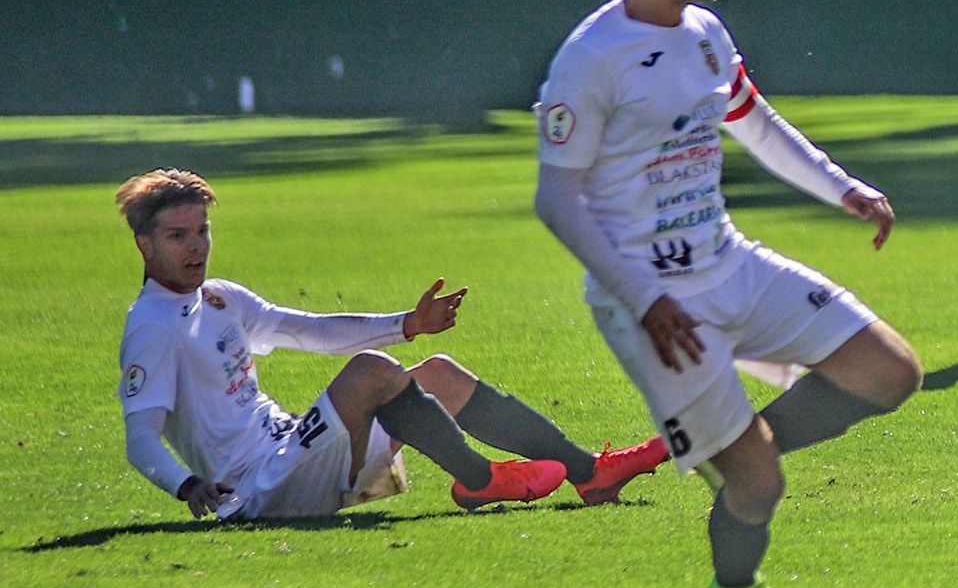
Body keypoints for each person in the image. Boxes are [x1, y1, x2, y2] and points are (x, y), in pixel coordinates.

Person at [534, 0, 923, 588]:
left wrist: (841, 186)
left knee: (891, 371)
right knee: (759, 487)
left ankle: (743, 447)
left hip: (730, 262)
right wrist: (644, 300)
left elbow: (757, 121)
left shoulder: (706, 34)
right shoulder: (591, 59)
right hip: (652, 304)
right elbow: (557, 198)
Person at [115, 169, 667, 521]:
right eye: (177, 236)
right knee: (373, 372)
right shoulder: (152, 327)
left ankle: (589, 472)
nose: (197, 247)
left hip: (293, 453)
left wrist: (408, 323)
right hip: (260, 490)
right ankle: (479, 481)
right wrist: (187, 485)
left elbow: (309, 330)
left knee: (438, 374)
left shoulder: (220, 298)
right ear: (145, 245)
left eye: (202, 231)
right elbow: (140, 439)